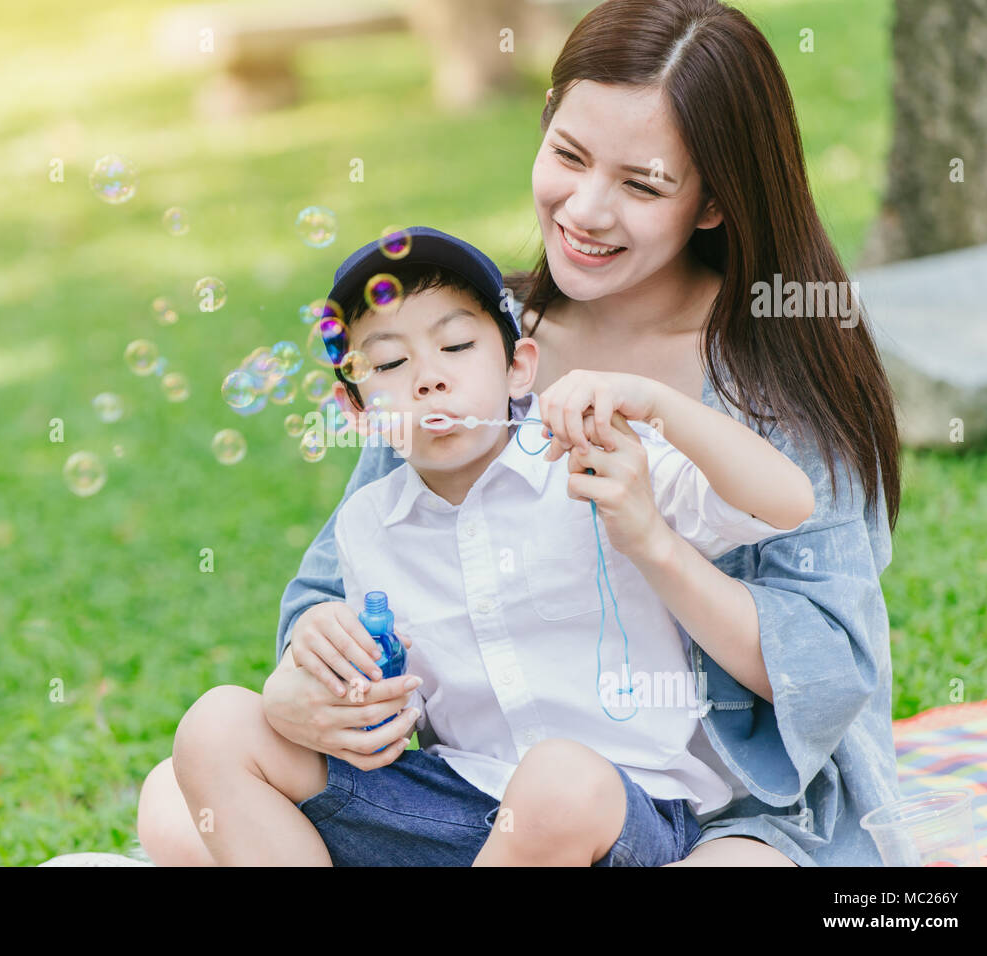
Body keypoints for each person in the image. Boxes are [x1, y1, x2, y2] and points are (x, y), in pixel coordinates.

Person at [138, 0, 903, 866]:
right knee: (179, 795)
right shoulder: (467, 339)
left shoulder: (768, 379)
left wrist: (654, 543)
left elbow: (827, 673)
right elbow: (347, 588)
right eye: (568, 156)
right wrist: (298, 694)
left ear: (715, 201)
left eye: (641, 184)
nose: (585, 208)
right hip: (499, 798)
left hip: (728, 809)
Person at [164, 226, 815, 865]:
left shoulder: (596, 461)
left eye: (455, 345)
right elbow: (402, 711)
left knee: (557, 779)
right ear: (357, 412)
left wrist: (651, 402)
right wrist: (349, 686)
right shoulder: (367, 526)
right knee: (216, 725)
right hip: (458, 807)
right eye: (389, 363)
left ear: (518, 369)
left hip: (618, 810)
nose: (427, 379)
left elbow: (784, 502)